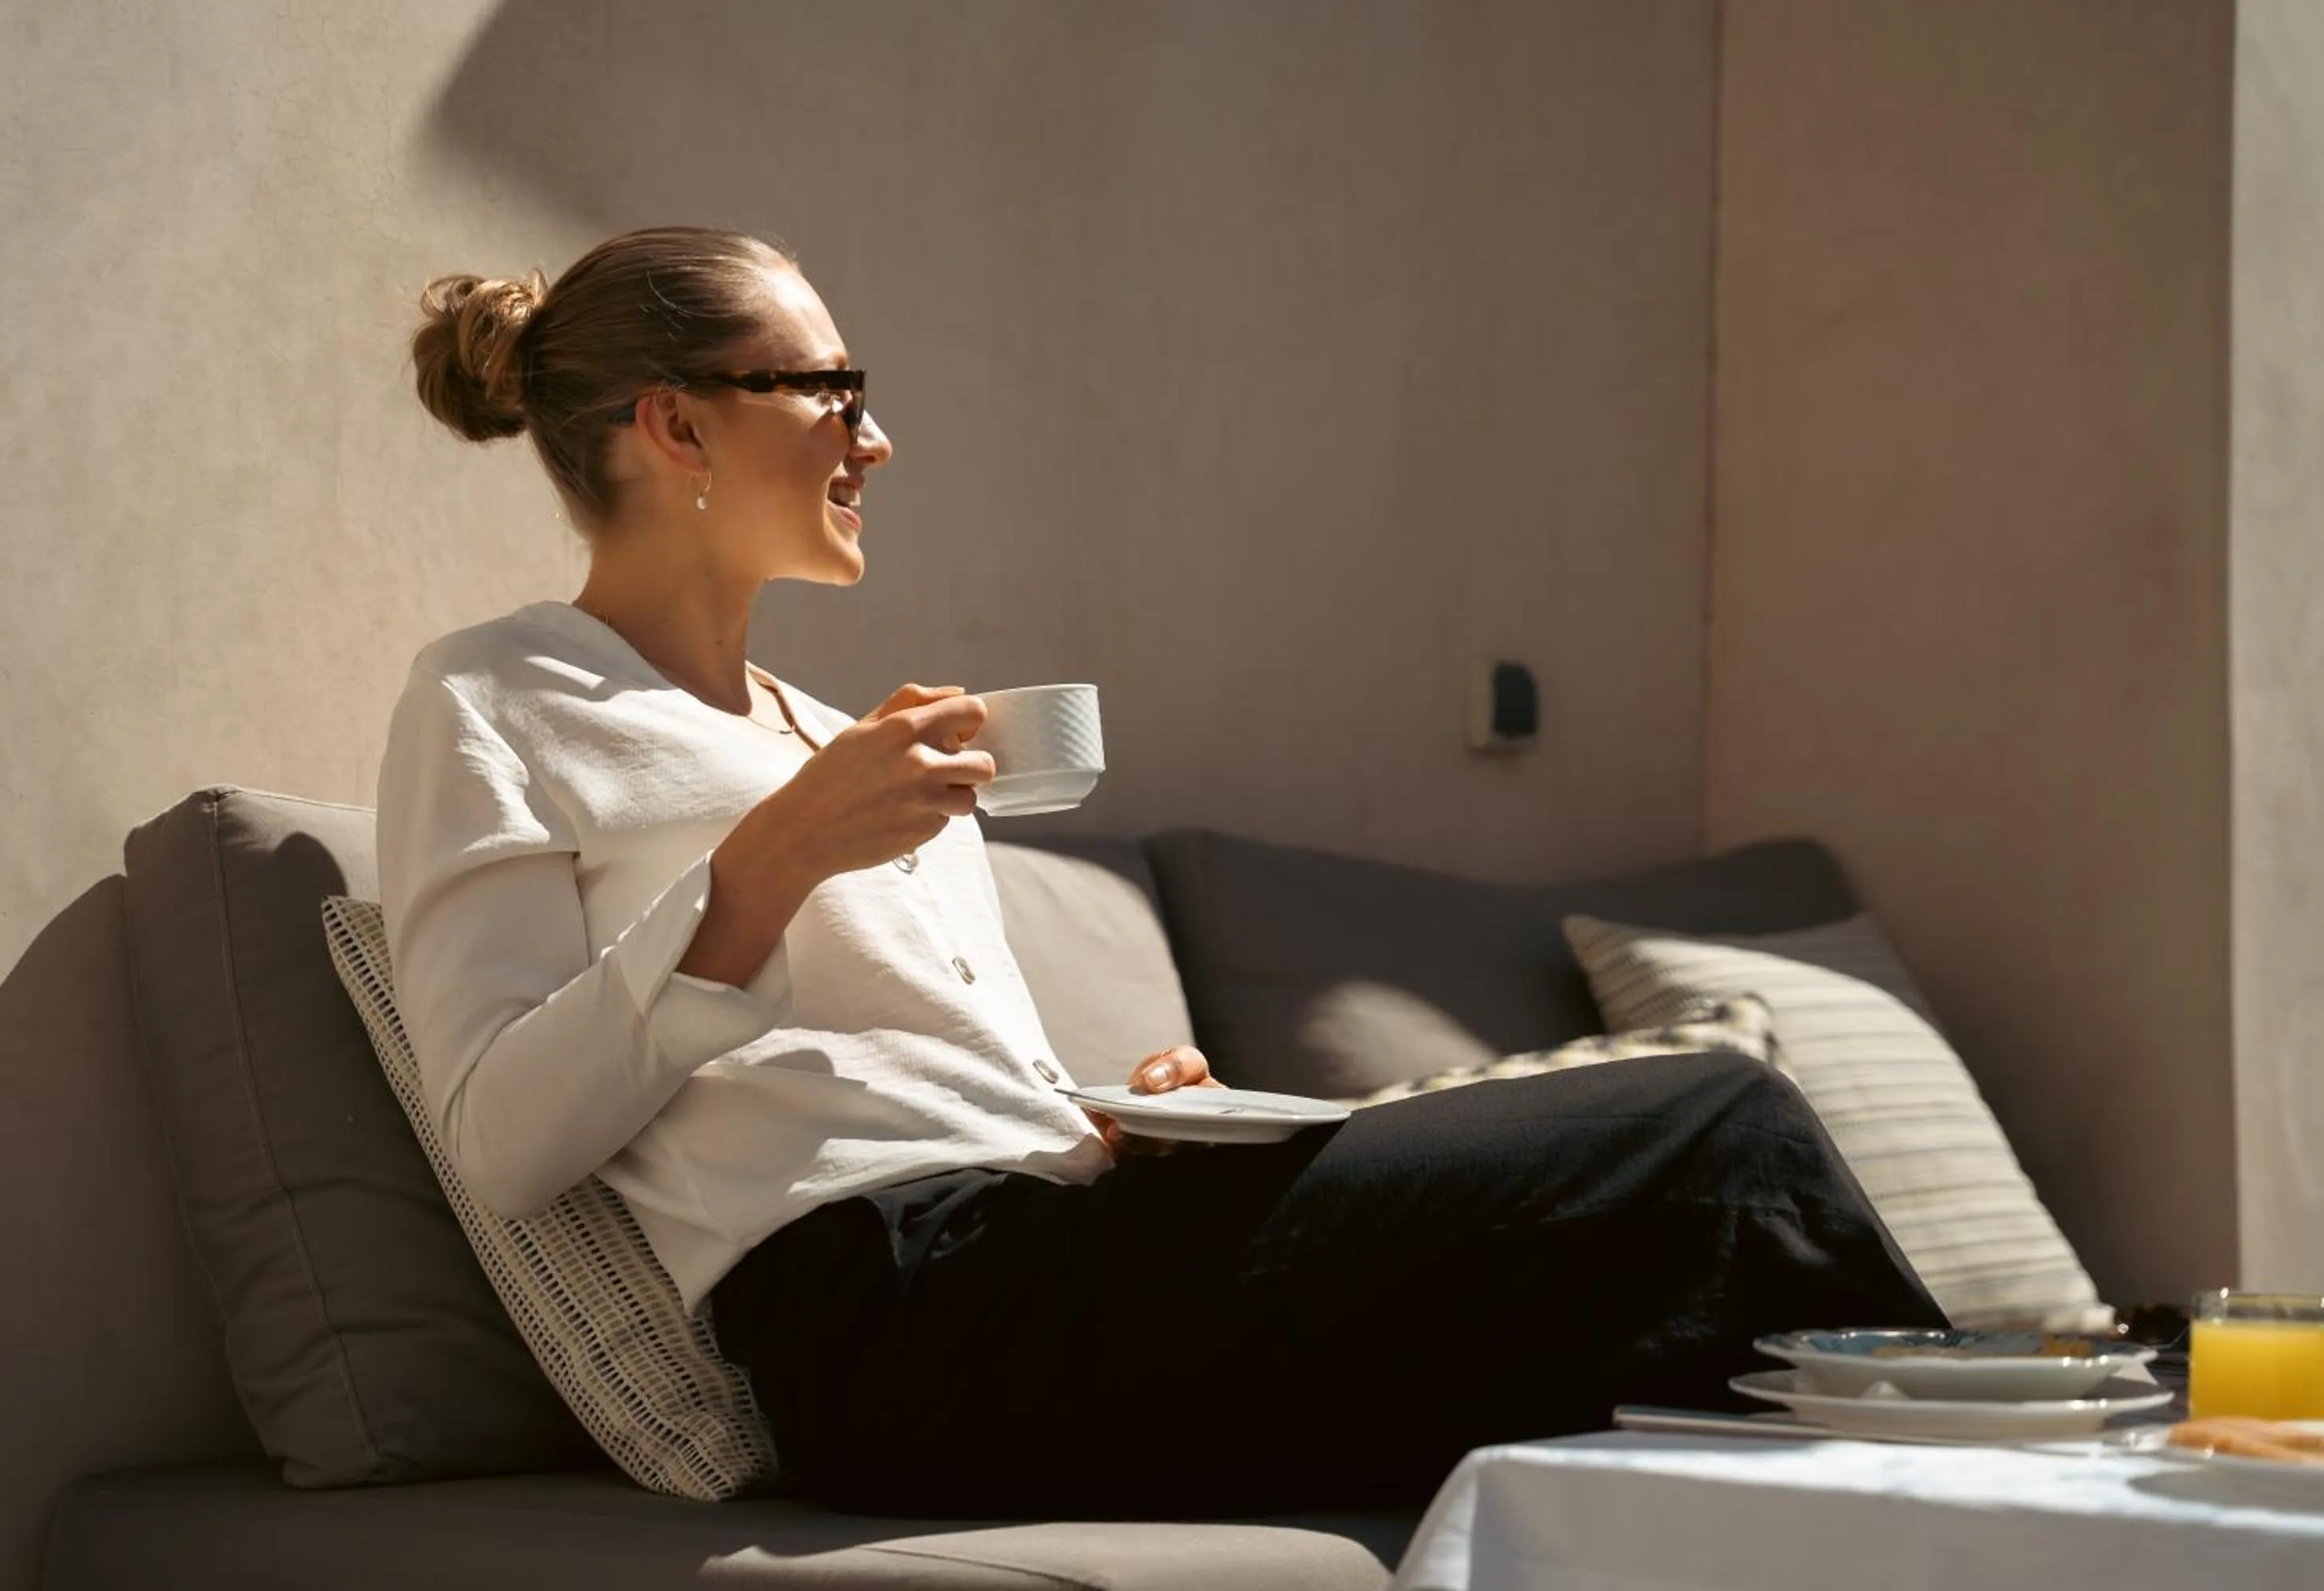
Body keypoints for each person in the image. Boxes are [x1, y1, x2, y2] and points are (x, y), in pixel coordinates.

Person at [381, 225, 1945, 1519]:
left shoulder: (844, 739)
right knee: (1711, 1130)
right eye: (832, 391)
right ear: (679, 425)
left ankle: (1940, 1514)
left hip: (1041, 1254)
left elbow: (919, 1084)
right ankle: (2025, 1499)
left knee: (1643, 1342)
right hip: (890, 1327)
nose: (876, 436)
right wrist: (763, 868)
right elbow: (506, 1138)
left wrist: (1111, 1131)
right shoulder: (504, 699)